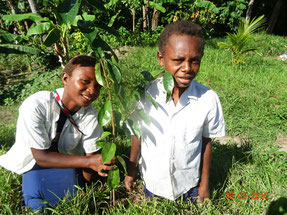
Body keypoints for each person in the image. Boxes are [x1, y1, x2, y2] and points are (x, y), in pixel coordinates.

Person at [124, 20, 225, 203]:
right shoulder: (145, 94)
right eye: (178, 60)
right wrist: (131, 171)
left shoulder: (208, 99)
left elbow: (206, 142)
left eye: (194, 61)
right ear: (161, 58)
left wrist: (204, 185)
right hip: (153, 185)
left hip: (189, 185)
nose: (187, 68)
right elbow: (138, 135)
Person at [0, 55, 115, 211]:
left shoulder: (91, 115)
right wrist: (89, 162)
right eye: (85, 81)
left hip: (68, 161)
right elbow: (41, 157)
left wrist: (85, 187)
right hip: (34, 163)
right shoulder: (36, 106)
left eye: (98, 86)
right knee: (38, 204)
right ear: (65, 78)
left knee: (73, 198)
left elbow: (91, 156)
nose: (92, 91)